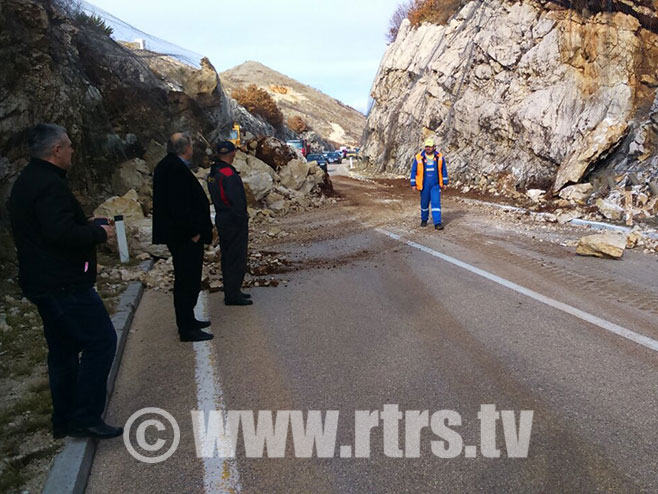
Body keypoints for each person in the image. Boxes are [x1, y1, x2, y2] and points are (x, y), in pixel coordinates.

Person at [8, 123, 122, 440]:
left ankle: (65, 419)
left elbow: (48, 228)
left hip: (43, 281)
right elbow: (60, 235)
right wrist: (98, 233)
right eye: (69, 145)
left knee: (63, 352)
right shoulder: (49, 185)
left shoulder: (29, 181)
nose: (73, 150)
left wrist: (82, 223)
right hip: (63, 284)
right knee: (101, 342)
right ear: (56, 150)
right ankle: (85, 416)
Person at [152, 132, 214, 341]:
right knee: (187, 280)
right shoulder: (173, 169)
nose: (192, 149)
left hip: (182, 236)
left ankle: (189, 319)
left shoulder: (169, 166)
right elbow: (179, 207)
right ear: (185, 148)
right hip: (184, 237)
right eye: (190, 146)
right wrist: (193, 233)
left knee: (189, 279)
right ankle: (187, 328)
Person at [207, 141, 252, 306]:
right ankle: (233, 294)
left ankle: (232, 291)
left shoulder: (213, 172)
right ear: (232, 153)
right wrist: (242, 216)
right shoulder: (228, 173)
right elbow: (235, 199)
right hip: (234, 220)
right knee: (236, 257)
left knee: (227, 256)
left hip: (222, 217)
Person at [410, 138, 449, 230]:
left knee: (436, 203)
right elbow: (413, 171)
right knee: (424, 203)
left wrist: (445, 182)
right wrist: (413, 184)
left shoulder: (439, 157)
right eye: (426, 147)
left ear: (434, 147)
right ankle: (424, 219)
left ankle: (437, 223)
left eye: (430, 147)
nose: (428, 148)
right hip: (424, 185)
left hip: (435, 184)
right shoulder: (419, 157)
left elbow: (444, 170)